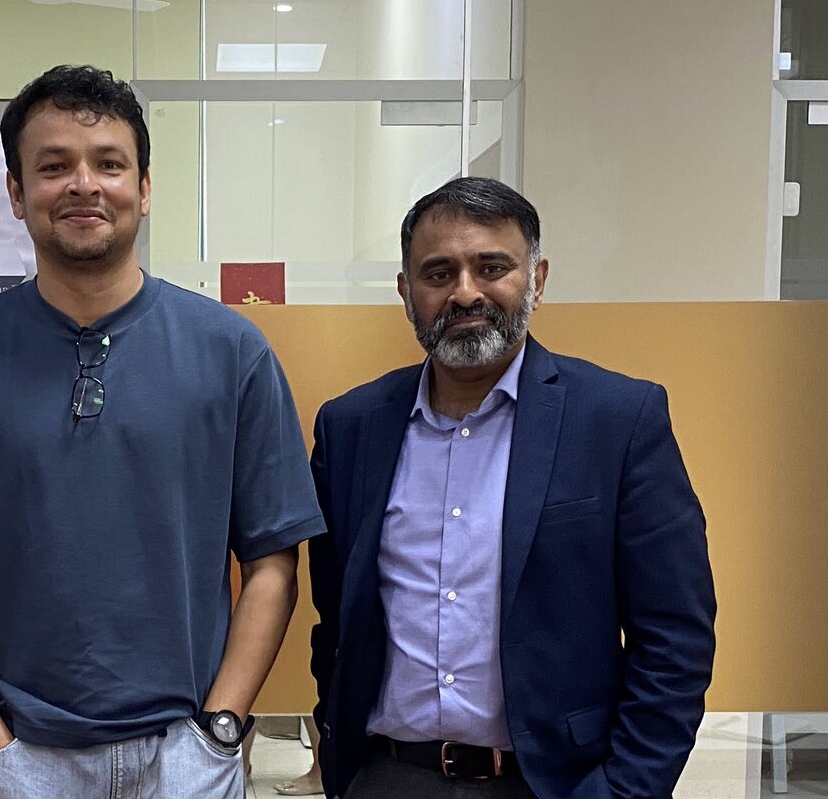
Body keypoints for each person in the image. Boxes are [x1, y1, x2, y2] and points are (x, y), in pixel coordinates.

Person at [0, 64, 325, 798]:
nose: (84, 184)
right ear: (17, 194)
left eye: (109, 164)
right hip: (24, 752)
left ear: (144, 189)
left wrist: (223, 729)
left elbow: (273, 558)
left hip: (187, 751)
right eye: (53, 167)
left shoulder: (231, 351)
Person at [307, 178, 716, 799]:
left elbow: (675, 638)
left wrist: (625, 789)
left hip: (555, 783)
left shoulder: (617, 420)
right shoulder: (350, 428)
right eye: (438, 272)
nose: (465, 292)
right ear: (406, 292)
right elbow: (336, 622)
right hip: (388, 777)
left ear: (538, 278)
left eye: (492, 267)